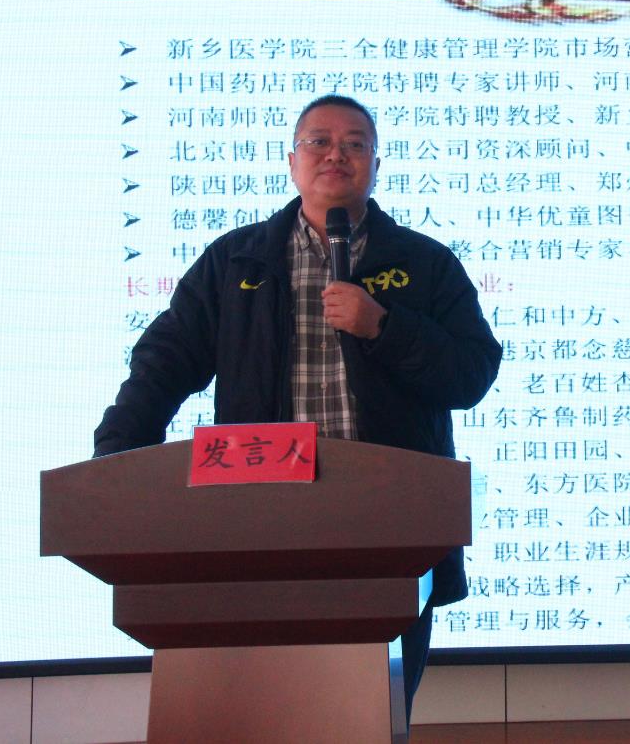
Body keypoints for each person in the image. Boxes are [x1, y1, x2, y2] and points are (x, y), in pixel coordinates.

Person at [94, 93, 500, 720]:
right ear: (292, 161)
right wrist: (114, 461)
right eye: (319, 141)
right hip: (258, 525)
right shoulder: (236, 261)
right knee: (257, 715)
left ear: (376, 164)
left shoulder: (424, 263)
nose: (337, 154)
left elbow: (471, 374)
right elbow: (164, 363)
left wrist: (384, 327)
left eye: (355, 144)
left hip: (389, 531)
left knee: (372, 717)